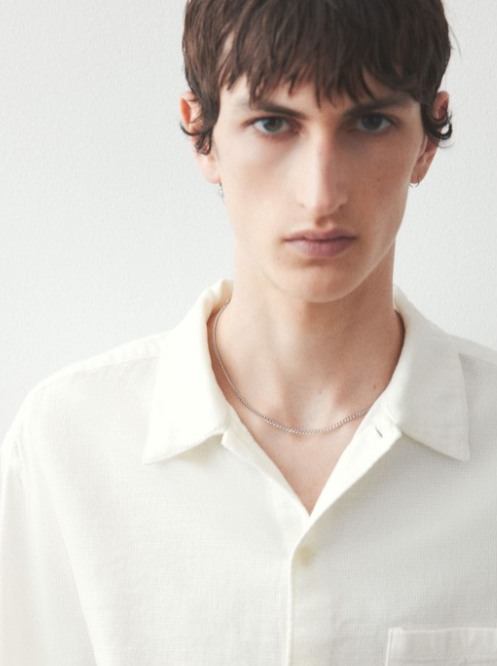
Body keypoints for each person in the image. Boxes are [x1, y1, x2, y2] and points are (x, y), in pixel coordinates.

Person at [1, 0, 497, 663]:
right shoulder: (70, 443)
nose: (320, 194)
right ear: (201, 132)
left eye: (369, 121)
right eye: (273, 123)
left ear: (426, 141)